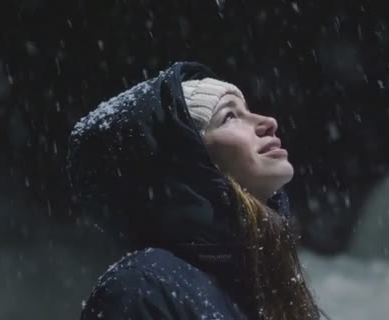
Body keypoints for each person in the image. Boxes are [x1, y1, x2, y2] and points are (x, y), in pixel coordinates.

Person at [67, 61, 325, 319]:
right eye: (229, 116)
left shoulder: (265, 283)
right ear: (188, 162)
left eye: (247, 110)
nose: (268, 121)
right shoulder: (141, 290)